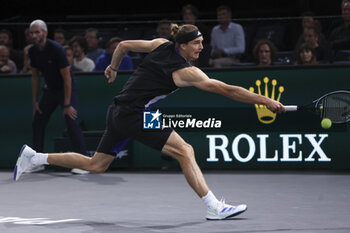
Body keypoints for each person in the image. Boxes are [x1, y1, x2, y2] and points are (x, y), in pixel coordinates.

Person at [14, 24, 285, 220]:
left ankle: (35, 157)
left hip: (120, 110)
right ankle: (213, 206)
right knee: (185, 150)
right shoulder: (184, 72)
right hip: (134, 114)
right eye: (197, 43)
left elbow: (122, 46)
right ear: (183, 45)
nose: (202, 47)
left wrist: (114, 67)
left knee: (95, 165)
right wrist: (265, 101)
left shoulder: (159, 44)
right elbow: (227, 89)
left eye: (202, 42)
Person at [26, 19, 88, 173]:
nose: (34, 35)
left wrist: (67, 104)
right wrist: (35, 101)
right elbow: (35, 76)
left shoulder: (57, 49)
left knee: (71, 120)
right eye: (32, 33)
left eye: (37, 32)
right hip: (50, 90)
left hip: (67, 88)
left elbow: (67, 78)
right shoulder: (32, 51)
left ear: (45, 33)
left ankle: (83, 163)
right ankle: (37, 161)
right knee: (38, 121)